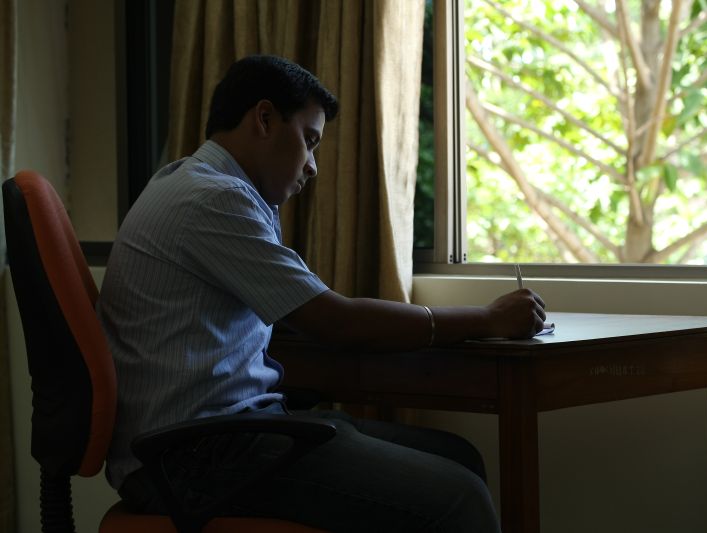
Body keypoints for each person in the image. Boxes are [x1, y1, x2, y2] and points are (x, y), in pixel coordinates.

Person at [98, 54, 547, 533]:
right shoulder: (214, 199)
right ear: (264, 118)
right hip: (192, 457)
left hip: (214, 438)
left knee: (459, 457)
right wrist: (487, 319)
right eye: (309, 141)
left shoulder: (187, 181)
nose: (312, 167)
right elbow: (337, 321)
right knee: (459, 497)